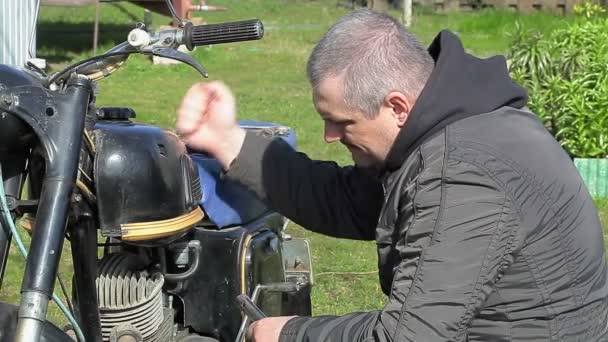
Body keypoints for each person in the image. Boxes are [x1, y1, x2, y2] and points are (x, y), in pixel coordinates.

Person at [176, 9, 608, 342]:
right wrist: (228, 142)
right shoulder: (452, 124)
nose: (329, 136)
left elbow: (411, 334)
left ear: (397, 107)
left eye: (341, 122)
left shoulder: (461, 172)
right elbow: (346, 201)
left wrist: (289, 333)